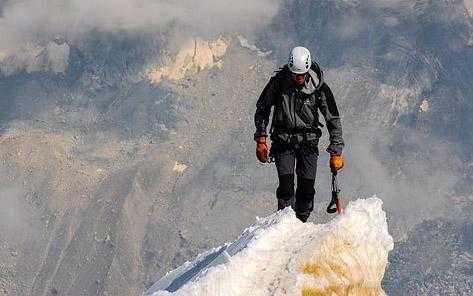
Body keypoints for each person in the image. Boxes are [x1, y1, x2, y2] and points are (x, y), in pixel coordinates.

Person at [254, 46, 344, 222]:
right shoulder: (278, 83)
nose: (299, 78)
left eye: (302, 75)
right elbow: (262, 109)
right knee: (286, 186)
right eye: (296, 75)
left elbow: (333, 119)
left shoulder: (319, 87)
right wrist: (261, 138)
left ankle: (301, 223)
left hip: (308, 142)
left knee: (306, 188)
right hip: (283, 141)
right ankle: (284, 224)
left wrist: (336, 151)